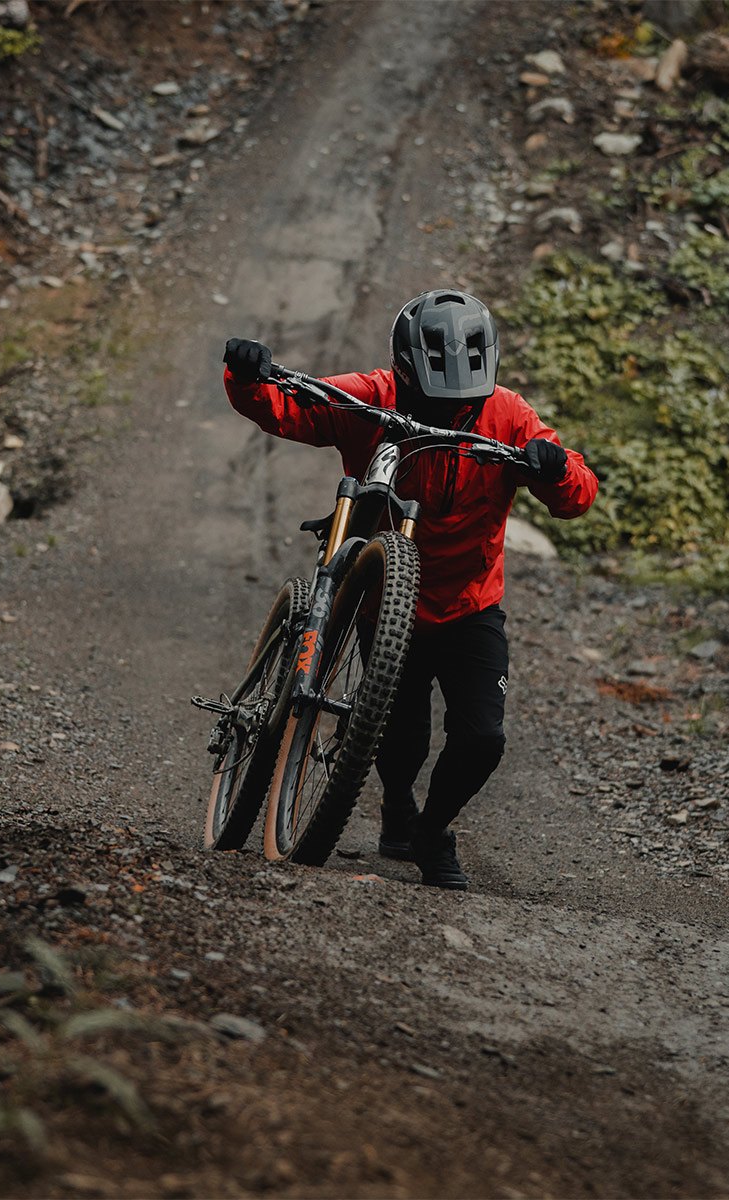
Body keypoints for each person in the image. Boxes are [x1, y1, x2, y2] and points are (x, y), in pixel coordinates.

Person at [222, 289, 598, 890]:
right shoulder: (371, 398)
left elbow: (577, 492)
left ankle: (432, 828)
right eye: (431, 402)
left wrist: (553, 469)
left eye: (462, 406)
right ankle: (397, 803)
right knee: (400, 739)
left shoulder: (508, 414)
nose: (448, 417)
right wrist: (245, 377)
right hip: (384, 601)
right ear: (402, 373)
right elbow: (288, 408)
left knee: (483, 739)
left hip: (470, 603)